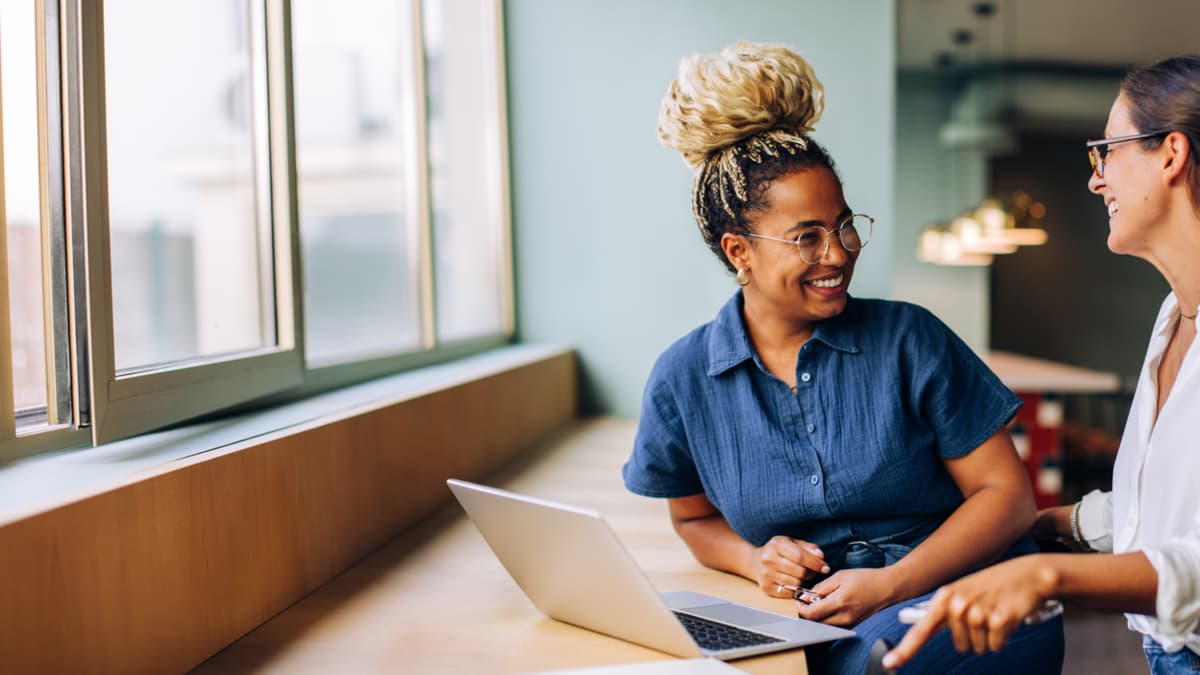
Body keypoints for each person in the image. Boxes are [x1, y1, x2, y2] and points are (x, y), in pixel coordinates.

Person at [621, 42, 1064, 673]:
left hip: (976, 589)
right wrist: (755, 559)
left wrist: (891, 584)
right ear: (739, 252)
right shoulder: (683, 378)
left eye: (844, 225)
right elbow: (693, 519)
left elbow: (1007, 497)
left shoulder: (910, 338)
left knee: (868, 665)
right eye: (807, 237)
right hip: (822, 612)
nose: (838, 253)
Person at [883, 53, 1200, 674]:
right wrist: (1043, 526)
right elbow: (1166, 509)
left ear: (1170, 154)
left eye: (1105, 152)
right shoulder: (1174, 316)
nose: (1096, 181)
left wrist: (1046, 574)